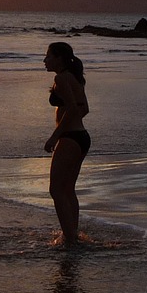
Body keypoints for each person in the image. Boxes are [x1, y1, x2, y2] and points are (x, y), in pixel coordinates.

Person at [43, 41, 90, 245]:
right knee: (68, 189)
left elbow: (71, 108)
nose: (45, 60)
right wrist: (72, 123)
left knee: (56, 190)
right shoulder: (74, 77)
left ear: (59, 58)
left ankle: (69, 238)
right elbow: (84, 108)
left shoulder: (61, 78)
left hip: (70, 138)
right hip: (81, 137)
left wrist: (55, 136)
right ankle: (73, 234)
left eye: (48, 56)